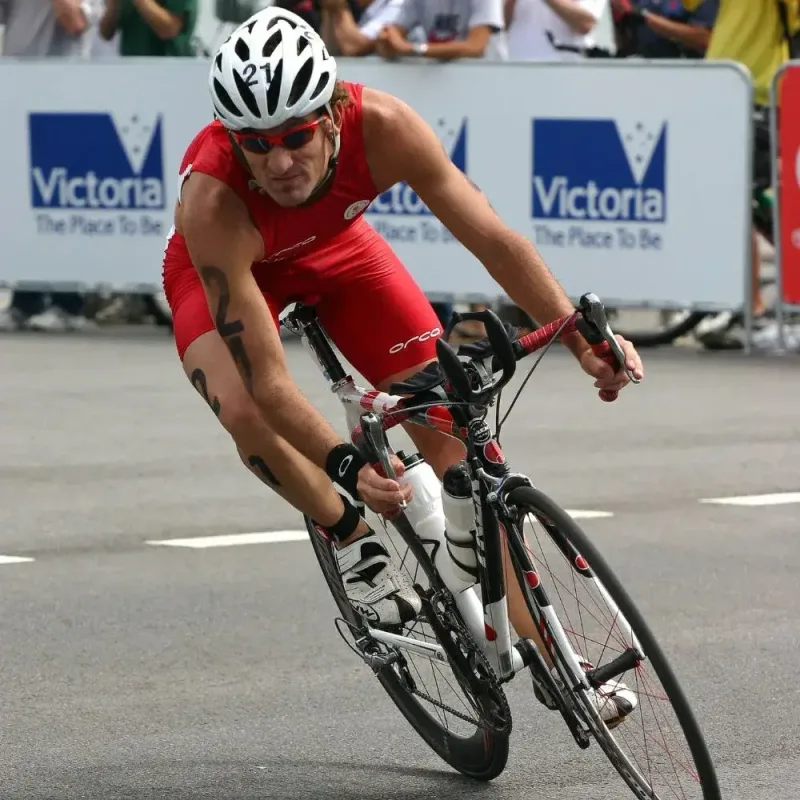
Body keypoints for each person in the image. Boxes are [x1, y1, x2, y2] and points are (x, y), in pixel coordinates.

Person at [161, 7, 644, 726]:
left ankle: (559, 662)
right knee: (242, 411)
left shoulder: (383, 126)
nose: (280, 161)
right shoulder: (213, 198)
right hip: (232, 275)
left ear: (330, 115)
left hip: (339, 251)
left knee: (454, 428)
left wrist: (576, 335)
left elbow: (491, 237)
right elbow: (267, 379)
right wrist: (343, 467)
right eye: (257, 144)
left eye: (295, 136)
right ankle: (347, 537)